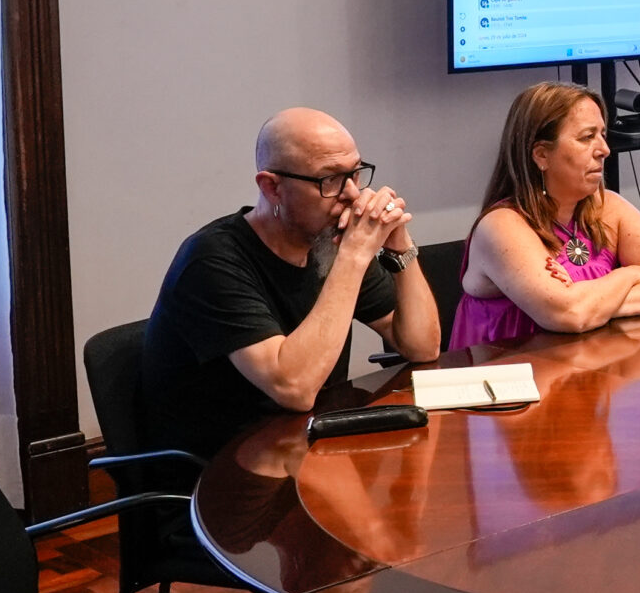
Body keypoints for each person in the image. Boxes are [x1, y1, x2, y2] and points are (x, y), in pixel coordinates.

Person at [142, 107, 442, 460]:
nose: (352, 194)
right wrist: (354, 256)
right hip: (222, 470)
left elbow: (423, 347)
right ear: (272, 187)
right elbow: (294, 389)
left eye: (355, 173)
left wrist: (400, 247)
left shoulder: (328, 243)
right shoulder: (211, 259)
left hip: (308, 448)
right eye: (330, 180)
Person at [451, 81, 640, 348]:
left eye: (602, 134)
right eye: (587, 137)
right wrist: (630, 274)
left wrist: (595, 305)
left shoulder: (608, 207)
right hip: (508, 370)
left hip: (587, 363)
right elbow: (570, 315)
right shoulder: (501, 225)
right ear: (542, 155)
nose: (604, 149)